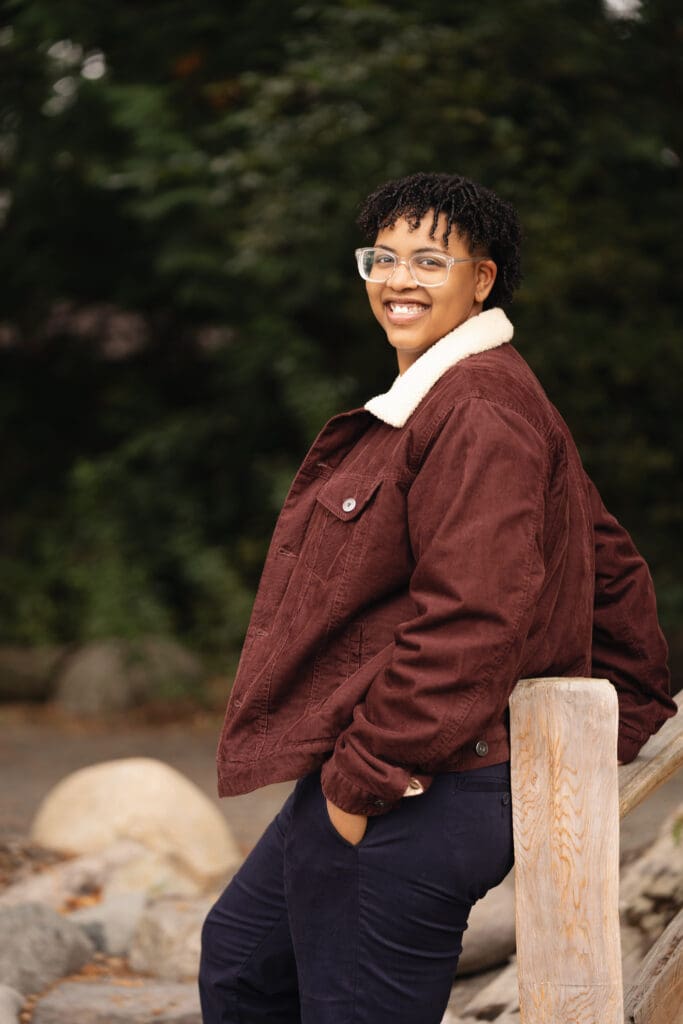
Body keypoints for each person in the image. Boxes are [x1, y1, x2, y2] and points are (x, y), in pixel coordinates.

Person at [199, 172, 676, 1024]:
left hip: (414, 784)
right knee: (244, 967)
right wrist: (629, 703)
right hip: (392, 771)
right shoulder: (458, 396)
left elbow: (472, 618)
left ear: (480, 278)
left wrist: (362, 782)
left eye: (429, 259)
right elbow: (610, 564)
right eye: (381, 258)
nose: (398, 279)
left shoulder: (478, 410)